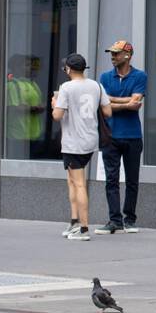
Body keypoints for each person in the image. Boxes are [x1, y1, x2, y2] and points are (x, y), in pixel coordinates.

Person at [52, 53, 111, 241]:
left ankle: (84, 228)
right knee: (72, 181)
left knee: (78, 183)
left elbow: (57, 116)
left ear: (68, 69)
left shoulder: (66, 88)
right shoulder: (96, 85)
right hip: (90, 140)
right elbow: (107, 111)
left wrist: (55, 103)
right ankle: (74, 221)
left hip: (73, 142)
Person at [96, 40, 147, 235]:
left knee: (132, 180)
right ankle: (115, 220)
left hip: (133, 135)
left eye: (116, 53)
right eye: (112, 53)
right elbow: (104, 105)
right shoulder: (105, 77)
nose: (112, 57)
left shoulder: (140, 76)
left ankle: (130, 219)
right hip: (110, 135)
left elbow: (136, 102)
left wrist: (111, 100)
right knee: (111, 179)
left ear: (128, 55)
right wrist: (127, 102)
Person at [5, 54, 46, 159]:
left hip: (34, 135)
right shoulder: (12, 84)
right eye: (26, 65)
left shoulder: (33, 84)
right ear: (16, 67)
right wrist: (34, 108)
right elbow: (15, 107)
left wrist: (41, 107)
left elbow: (40, 104)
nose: (30, 67)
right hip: (18, 136)